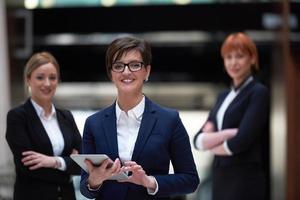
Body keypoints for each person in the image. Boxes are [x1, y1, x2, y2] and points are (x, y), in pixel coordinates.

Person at [79, 36, 199, 200]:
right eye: (119, 66)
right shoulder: (93, 124)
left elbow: (190, 180)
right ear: (111, 74)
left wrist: (149, 181)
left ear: (147, 71)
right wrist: (95, 180)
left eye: (135, 65)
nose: (126, 72)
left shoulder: (169, 120)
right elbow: (85, 188)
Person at [193, 32, 269, 200]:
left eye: (239, 56)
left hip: (244, 179)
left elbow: (240, 141)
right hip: (220, 177)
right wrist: (226, 134)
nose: (233, 62)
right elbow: (198, 140)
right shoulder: (223, 96)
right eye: (228, 57)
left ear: (252, 59)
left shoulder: (258, 92)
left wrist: (211, 141)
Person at [6, 52, 82, 200]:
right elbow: (28, 167)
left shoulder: (66, 117)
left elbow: (84, 163)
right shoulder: (18, 117)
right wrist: (68, 163)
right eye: (40, 77)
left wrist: (53, 161)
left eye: (52, 78)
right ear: (28, 80)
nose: (47, 83)